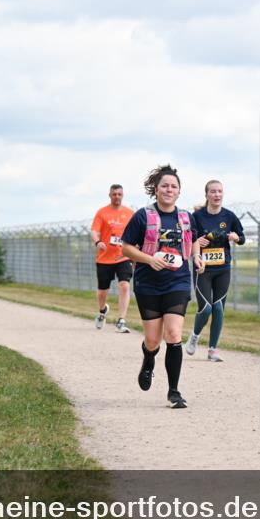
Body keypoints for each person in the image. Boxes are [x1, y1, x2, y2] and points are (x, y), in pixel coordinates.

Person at [121, 165, 196, 409]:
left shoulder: (185, 218)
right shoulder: (143, 216)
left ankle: (174, 392)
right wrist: (149, 259)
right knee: (153, 340)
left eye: (173, 186)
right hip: (148, 283)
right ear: (156, 189)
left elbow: (192, 242)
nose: (169, 189)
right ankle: (148, 359)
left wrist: (199, 256)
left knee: (173, 335)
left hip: (178, 281)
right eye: (165, 185)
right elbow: (126, 247)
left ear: (179, 191)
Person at [186, 180, 245, 362]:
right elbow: (188, 239)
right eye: (213, 191)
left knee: (218, 307)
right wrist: (198, 241)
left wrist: (236, 238)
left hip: (223, 268)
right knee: (206, 308)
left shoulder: (229, 216)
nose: (217, 195)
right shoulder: (196, 216)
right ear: (207, 195)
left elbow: (242, 237)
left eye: (220, 191)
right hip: (203, 268)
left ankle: (213, 349)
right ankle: (195, 335)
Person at [90, 184, 135, 332]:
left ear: (123, 195)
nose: (117, 196)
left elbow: (136, 233)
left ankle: (121, 320)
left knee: (125, 285)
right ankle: (102, 310)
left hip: (123, 256)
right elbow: (94, 231)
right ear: (110, 195)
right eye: (114, 194)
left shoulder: (129, 213)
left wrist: (135, 249)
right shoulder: (102, 213)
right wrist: (98, 242)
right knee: (103, 291)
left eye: (119, 194)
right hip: (104, 258)